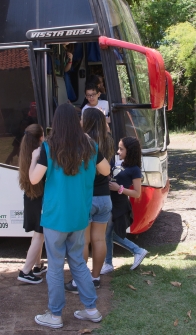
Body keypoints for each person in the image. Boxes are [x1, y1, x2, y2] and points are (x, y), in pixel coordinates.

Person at [30, 103, 110, 329]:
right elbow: (105, 170)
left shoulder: (49, 147)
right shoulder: (90, 145)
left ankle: (55, 315)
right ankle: (91, 309)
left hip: (55, 217)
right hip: (79, 217)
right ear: (77, 121)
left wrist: (35, 157)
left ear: (56, 123)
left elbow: (34, 179)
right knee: (78, 263)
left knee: (55, 266)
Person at [65, 108, 114, 294]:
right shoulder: (108, 140)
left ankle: (79, 282)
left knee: (83, 242)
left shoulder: (82, 141)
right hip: (104, 197)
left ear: (88, 121)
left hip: (86, 197)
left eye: (82, 118)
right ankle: (95, 278)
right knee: (100, 239)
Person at [101, 137, 148, 275]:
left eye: (121, 149)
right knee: (108, 234)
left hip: (119, 205)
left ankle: (135, 251)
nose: (118, 151)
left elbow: (137, 193)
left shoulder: (134, 170)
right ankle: (134, 252)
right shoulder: (120, 163)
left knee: (107, 234)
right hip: (110, 202)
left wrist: (119, 188)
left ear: (130, 151)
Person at [17, 124, 47, 284]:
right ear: (40, 137)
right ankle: (25, 271)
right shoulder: (39, 153)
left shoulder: (26, 152)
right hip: (39, 198)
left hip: (30, 197)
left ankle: (37, 265)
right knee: (39, 234)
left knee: (37, 233)